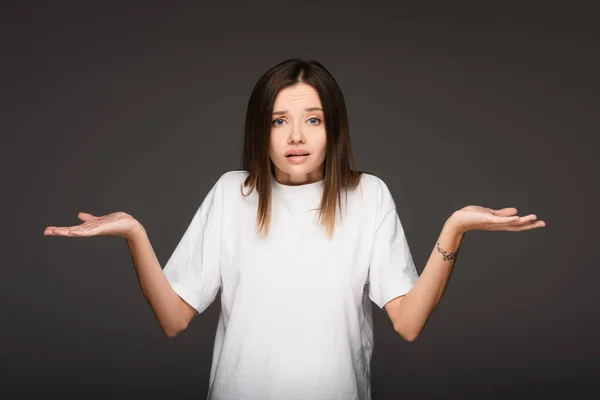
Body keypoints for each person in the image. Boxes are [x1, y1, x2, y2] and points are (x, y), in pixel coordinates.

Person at [43, 59, 546, 400]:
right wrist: (136, 234)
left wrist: (454, 229)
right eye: (279, 120)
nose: (297, 136)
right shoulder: (230, 194)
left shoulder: (367, 196)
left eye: (313, 119)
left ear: (334, 129)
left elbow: (409, 323)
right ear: (260, 129)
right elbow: (174, 318)